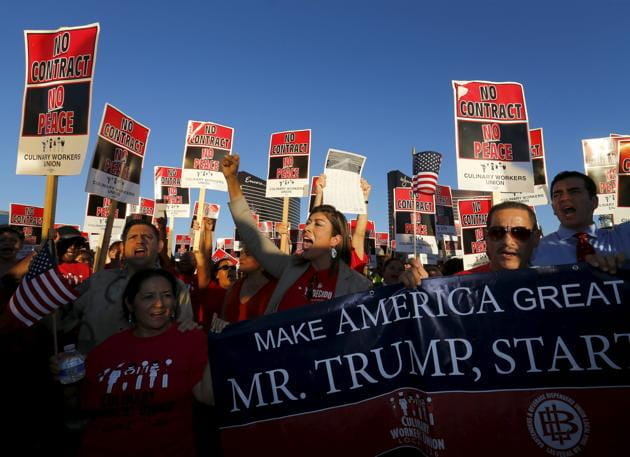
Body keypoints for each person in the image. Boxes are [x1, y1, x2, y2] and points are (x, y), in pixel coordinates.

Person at [79, 268, 212, 457]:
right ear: (130, 303)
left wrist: (219, 345)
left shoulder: (191, 339)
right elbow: (81, 408)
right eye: (148, 297)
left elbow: (207, 397)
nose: (159, 304)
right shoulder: (104, 350)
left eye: (167, 295)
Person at [222, 155, 372, 313]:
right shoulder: (289, 267)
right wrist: (231, 180)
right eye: (308, 223)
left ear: (335, 240)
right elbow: (251, 234)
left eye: (318, 225)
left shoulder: (358, 285)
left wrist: (363, 201)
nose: (307, 228)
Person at [58, 220, 194, 354]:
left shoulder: (176, 287)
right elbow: (59, 318)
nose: (140, 241)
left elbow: (183, 332)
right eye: (133, 237)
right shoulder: (99, 280)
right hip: (95, 369)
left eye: (147, 237)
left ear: (159, 246)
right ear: (123, 247)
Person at [532, 171, 629, 270]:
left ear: (594, 202)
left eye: (574, 192)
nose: (564, 198)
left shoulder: (623, 238)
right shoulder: (534, 252)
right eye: (557, 195)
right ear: (553, 208)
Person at [458, 201, 541, 274]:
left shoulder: (550, 282)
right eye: (497, 232)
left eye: (520, 233)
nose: (507, 241)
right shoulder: (457, 286)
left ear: (536, 238)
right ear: (486, 236)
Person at [312, 173, 372, 273]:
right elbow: (314, 224)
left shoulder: (353, 256)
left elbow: (360, 233)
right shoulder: (319, 253)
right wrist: (319, 194)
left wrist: (364, 198)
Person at [221, 243, 278, 323]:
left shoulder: (277, 288)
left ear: (263, 259)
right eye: (241, 253)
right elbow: (223, 321)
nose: (241, 258)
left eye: (248, 254)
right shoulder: (234, 287)